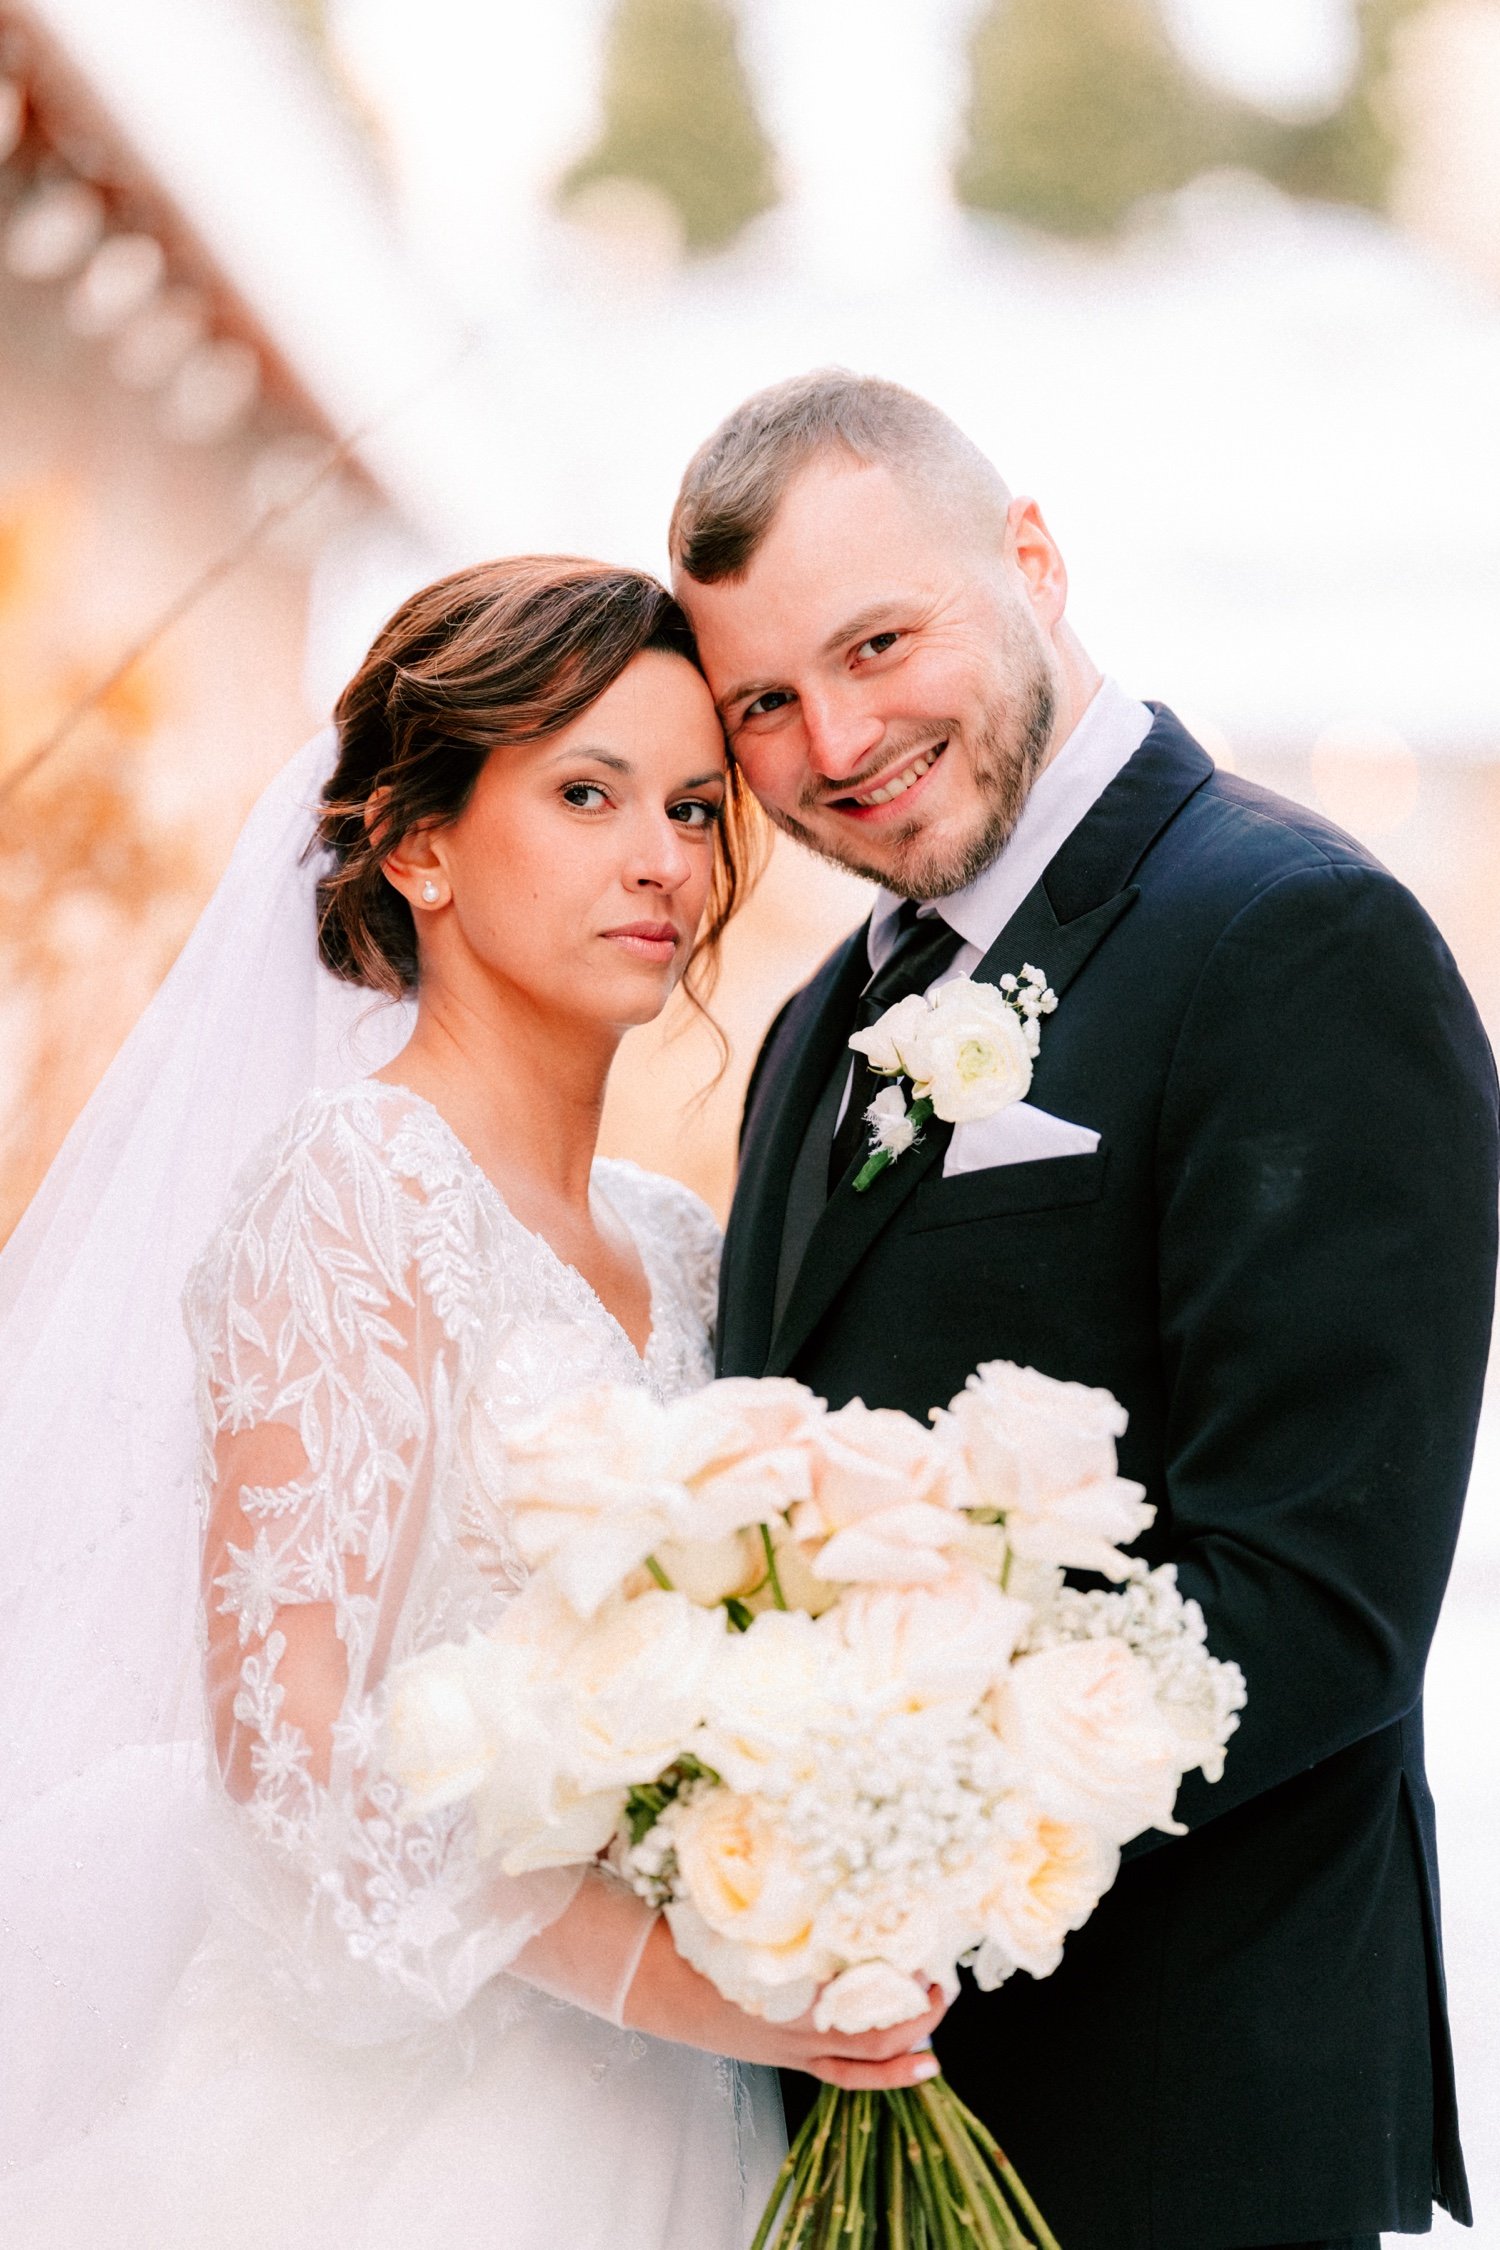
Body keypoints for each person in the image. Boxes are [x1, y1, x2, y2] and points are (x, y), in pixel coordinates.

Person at [0, 555, 947, 2248]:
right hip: (410, 2137)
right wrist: (691, 1986)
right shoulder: (352, 1191)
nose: (663, 859)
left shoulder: (680, 1243)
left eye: (694, 808)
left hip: (693, 2116)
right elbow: (290, 1769)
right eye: (587, 794)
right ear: (419, 846)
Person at [671, 370, 1500, 2250]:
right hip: (851, 2109)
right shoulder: (817, 1027)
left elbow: (1318, 1598)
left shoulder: (1295, 937)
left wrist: (880, 1832)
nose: (837, 740)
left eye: (879, 643)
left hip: (1176, 2124)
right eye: (764, 703)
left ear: (1032, 560)